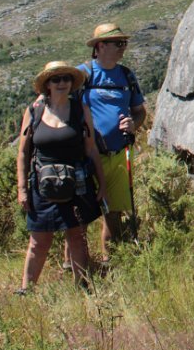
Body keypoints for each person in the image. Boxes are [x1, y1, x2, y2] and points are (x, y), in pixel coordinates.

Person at [16, 61, 106, 293]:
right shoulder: (34, 111)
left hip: (76, 182)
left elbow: (91, 148)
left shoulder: (79, 110)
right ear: (47, 84)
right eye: (56, 79)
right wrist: (22, 188)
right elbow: (23, 152)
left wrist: (101, 183)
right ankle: (27, 291)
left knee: (76, 236)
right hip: (42, 186)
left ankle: (82, 287)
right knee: (39, 240)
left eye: (66, 79)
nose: (62, 83)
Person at [77, 23, 147, 258]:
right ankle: (78, 265)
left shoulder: (127, 75)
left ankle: (109, 261)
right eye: (118, 43)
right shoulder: (83, 74)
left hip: (118, 154)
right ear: (100, 46)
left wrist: (133, 123)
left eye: (124, 43)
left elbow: (140, 111)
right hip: (86, 157)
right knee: (81, 216)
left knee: (114, 213)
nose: (123, 48)